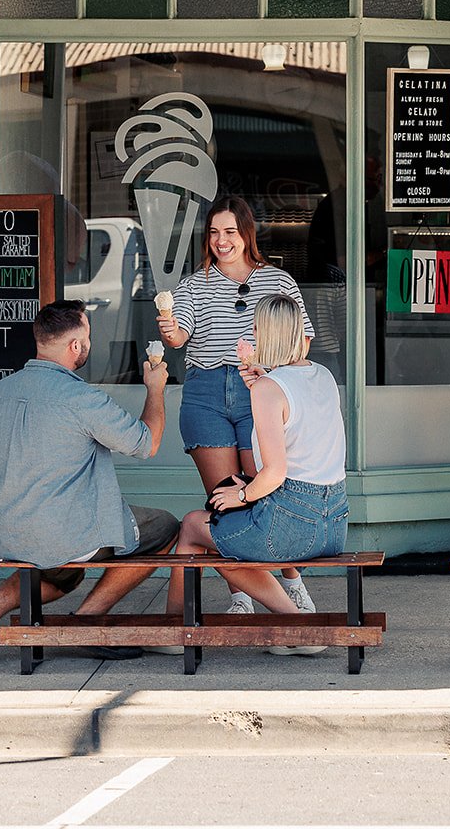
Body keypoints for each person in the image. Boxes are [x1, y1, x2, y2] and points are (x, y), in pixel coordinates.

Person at [0, 299, 178, 664]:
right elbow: (146, 443)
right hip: (63, 536)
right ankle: (88, 622)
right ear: (76, 346)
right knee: (166, 526)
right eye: (88, 336)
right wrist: (155, 388)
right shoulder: (82, 398)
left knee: (64, 574)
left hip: (6, 533)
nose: (89, 344)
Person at [155, 195, 316, 616]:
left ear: (246, 234)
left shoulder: (279, 281)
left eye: (229, 232)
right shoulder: (193, 284)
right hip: (206, 391)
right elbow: (178, 339)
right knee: (224, 499)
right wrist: (170, 327)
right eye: (213, 233)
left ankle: (293, 583)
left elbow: (303, 340)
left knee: (262, 493)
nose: (221, 241)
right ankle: (240, 597)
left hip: (257, 389)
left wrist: (272, 371)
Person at [163, 291, 348, 656]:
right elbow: (297, 424)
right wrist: (261, 385)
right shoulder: (321, 375)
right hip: (333, 524)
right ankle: (292, 623)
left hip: (292, 525)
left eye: (256, 328)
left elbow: (276, 471)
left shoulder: (269, 389)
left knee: (193, 527)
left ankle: (292, 625)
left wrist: (242, 495)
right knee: (222, 524)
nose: (253, 334)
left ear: (268, 333)